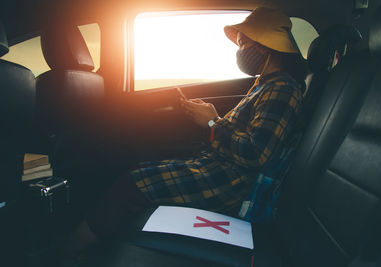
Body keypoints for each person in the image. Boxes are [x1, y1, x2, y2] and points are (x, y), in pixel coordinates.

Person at [61, 7, 307, 262]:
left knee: (131, 184)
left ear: (264, 47)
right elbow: (245, 136)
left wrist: (212, 122)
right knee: (139, 167)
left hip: (229, 183)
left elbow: (257, 154)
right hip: (218, 169)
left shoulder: (282, 90)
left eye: (243, 43)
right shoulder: (265, 85)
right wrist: (212, 117)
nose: (239, 50)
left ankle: (70, 254)